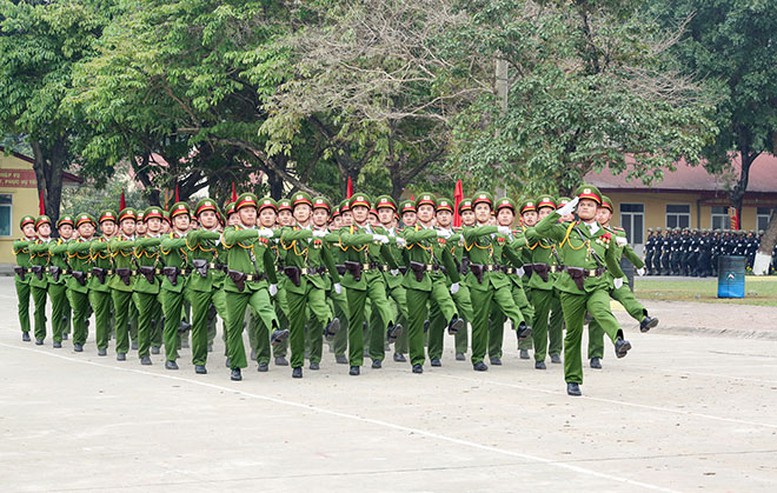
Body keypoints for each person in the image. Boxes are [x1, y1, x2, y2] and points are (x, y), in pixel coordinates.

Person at [530, 185, 631, 396]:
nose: (585, 207)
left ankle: (618, 340)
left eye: (590, 205)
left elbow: (611, 260)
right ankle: (573, 380)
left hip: (597, 284)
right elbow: (539, 230)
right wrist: (560, 212)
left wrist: (620, 279)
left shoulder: (606, 235)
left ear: (598, 209)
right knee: (573, 334)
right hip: (571, 287)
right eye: (582, 204)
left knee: (602, 310)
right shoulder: (566, 230)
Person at [460, 192, 531, 372]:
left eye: (485, 208)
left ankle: (521, 325)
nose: (482, 211)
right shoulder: (470, 231)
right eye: (479, 209)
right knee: (480, 321)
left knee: (509, 304)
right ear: (474, 212)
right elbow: (474, 233)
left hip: (499, 279)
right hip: (479, 280)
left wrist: (521, 265)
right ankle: (477, 357)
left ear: (491, 212)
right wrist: (496, 229)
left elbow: (510, 252)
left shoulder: (500, 235)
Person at [333, 193, 401, 375]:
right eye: (356, 209)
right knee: (356, 320)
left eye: (363, 209)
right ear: (352, 212)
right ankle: (355, 361)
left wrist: (394, 267)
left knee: (382, 302)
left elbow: (385, 249)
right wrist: (371, 238)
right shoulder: (345, 230)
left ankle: (391, 326)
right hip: (355, 278)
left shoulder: (377, 230)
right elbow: (348, 241)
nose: (360, 212)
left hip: (374, 274)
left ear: (368, 211)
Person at [222, 192, 287, 381]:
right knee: (233, 327)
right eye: (245, 211)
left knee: (266, 307)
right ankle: (236, 366)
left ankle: (275, 330)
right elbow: (232, 239)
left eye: (252, 211)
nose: (249, 214)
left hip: (257, 283)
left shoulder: (262, 236)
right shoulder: (231, 231)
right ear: (239, 214)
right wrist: (257, 232)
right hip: (236, 285)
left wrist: (273, 281)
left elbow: (266, 259)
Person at [278, 192, 342, 378]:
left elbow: (326, 258)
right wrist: (312, 233)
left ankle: (329, 323)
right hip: (295, 283)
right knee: (297, 325)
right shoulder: (287, 232)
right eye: (297, 209)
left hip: (315, 280)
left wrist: (336, 280)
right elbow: (286, 241)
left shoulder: (318, 235)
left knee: (319, 305)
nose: (301, 212)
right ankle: (297, 363)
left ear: (311, 212)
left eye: (304, 209)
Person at [401, 193, 465, 373]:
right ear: (417, 212)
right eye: (422, 209)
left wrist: (455, 280)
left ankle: (453, 319)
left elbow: (446, 258)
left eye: (429, 209)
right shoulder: (411, 230)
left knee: (445, 299)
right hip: (416, 279)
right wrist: (436, 232)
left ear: (434, 214)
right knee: (416, 321)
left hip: (436, 277)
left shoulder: (441, 235)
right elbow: (412, 239)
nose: (425, 212)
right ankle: (417, 360)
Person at [109, 208, 137, 359]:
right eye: (126, 223)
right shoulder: (116, 241)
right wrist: (135, 244)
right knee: (121, 317)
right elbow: (115, 247)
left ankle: (138, 341)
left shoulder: (141, 239)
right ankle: (121, 348)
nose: (130, 225)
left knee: (139, 313)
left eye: (132, 223)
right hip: (120, 282)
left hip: (137, 281)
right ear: (120, 227)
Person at [88, 210, 118, 354]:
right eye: (106, 224)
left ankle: (120, 342)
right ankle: (102, 345)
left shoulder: (121, 241)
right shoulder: (96, 242)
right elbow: (95, 248)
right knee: (101, 315)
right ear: (101, 227)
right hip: (100, 282)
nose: (108, 227)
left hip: (117, 280)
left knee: (119, 313)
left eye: (111, 224)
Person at [28, 215, 53, 345]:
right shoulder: (33, 243)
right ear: (37, 231)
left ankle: (59, 334)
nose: (46, 228)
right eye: (42, 227)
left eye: (47, 226)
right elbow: (34, 249)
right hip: (38, 278)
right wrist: (50, 247)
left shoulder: (56, 242)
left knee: (58, 306)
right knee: (39, 308)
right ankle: (39, 334)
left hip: (54, 278)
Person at [13, 215, 37, 342]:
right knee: (23, 304)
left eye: (33, 227)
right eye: (27, 228)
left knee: (39, 305)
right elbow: (18, 246)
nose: (30, 230)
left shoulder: (39, 242)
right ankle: (25, 330)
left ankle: (39, 330)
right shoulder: (18, 242)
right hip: (22, 277)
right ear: (23, 230)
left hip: (35, 276)